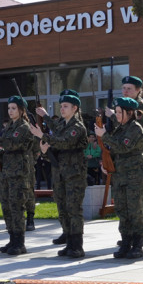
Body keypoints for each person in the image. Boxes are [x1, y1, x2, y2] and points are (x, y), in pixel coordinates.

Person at [33, 90, 88, 258]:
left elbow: (65, 143)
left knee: (73, 210)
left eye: (66, 106)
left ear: (75, 108)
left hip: (73, 175)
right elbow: (55, 149)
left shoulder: (77, 127)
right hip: (60, 174)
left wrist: (42, 135)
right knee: (63, 209)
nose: (62, 109)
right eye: (61, 106)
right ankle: (69, 243)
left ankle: (77, 246)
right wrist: (44, 151)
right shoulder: (63, 126)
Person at [0, 96, 36, 255]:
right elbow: (6, 147)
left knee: (17, 207)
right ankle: (12, 239)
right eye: (9, 108)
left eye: (13, 108)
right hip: (6, 172)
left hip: (18, 173)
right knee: (7, 207)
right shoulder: (11, 127)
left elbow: (12, 144)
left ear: (21, 110)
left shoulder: (23, 127)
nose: (10, 111)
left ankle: (20, 243)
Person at [97, 97, 143, 259]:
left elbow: (123, 146)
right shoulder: (120, 129)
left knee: (135, 210)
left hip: (135, 175)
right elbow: (113, 149)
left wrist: (104, 135)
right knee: (122, 210)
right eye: (117, 112)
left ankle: (138, 244)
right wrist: (106, 163)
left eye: (120, 112)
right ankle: (126, 243)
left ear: (129, 113)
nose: (117, 115)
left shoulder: (135, 128)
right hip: (121, 175)